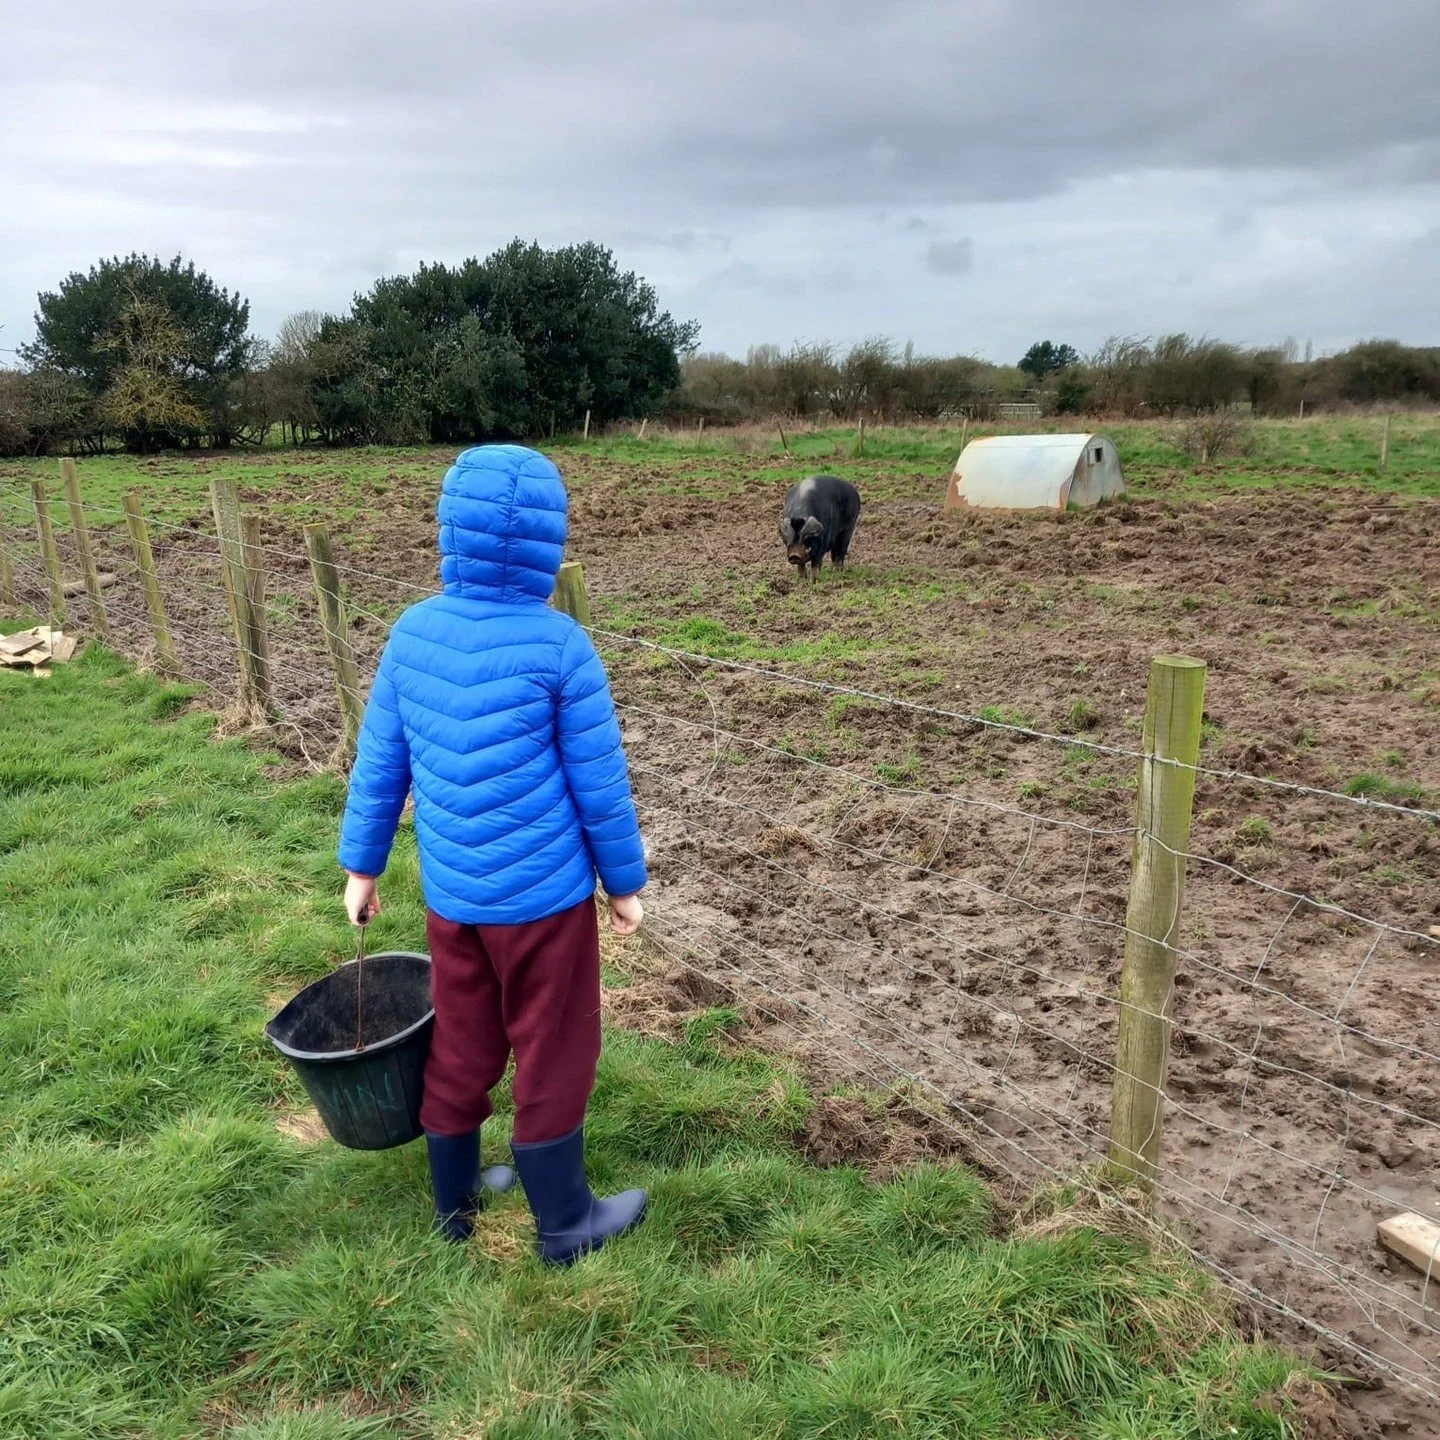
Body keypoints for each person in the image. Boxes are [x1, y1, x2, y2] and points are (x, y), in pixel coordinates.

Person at [336, 444, 649, 1265]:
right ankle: (566, 1223)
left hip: (456, 901)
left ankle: (457, 1208)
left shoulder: (412, 634)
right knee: (555, 1046)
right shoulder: (561, 646)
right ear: (549, 542)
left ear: (451, 531)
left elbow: (380, 767)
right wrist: (624, 884)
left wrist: (361, 867)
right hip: (545, 905)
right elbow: (600, 785)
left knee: (462, 1040)